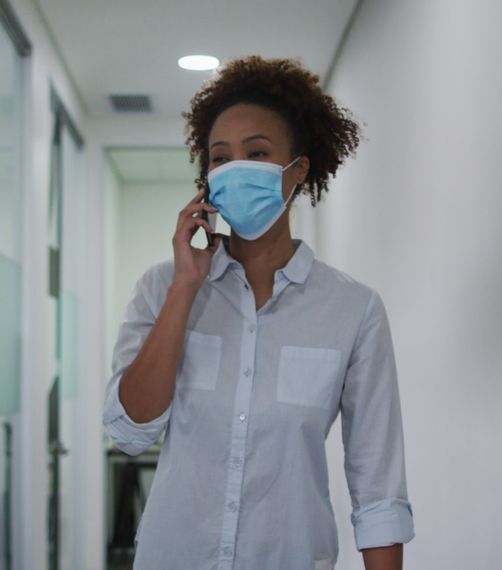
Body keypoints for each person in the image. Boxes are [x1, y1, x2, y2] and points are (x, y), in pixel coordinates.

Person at [103, 55, 414, 570]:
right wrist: (186, 286)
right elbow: (129, 432)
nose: (235, 169)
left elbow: (378, 488)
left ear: (299, 170)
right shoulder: (162, 287)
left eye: (258, 152)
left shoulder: (353, 310)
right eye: (220, 158)